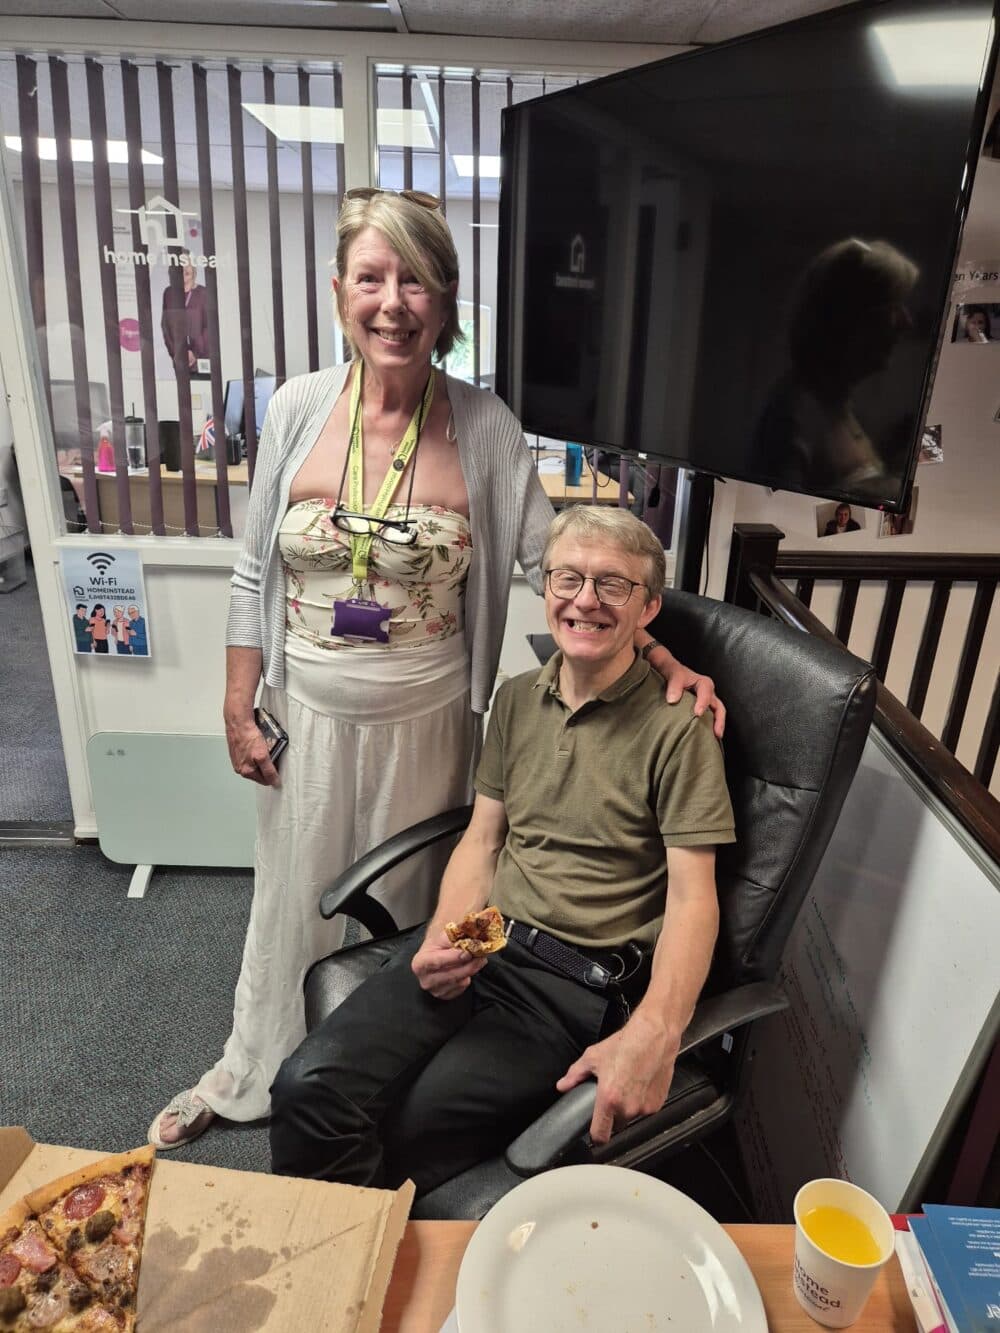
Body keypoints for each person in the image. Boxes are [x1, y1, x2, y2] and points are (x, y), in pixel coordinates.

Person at [148, 188, 724, 1152]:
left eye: (415, 279)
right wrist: (237, 701)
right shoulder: (295, 408)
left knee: (422, 910)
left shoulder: (485, 426)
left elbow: (558, 565)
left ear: (446, 302)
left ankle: (381, 1078)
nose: (392, 301)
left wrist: (660, 652)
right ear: (340, 293)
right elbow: (255, 565)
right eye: (371, 277)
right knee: (291, 899)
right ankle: (249, 1067)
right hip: (310, 710)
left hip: (429, 714)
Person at [269, 506, 736, 1191]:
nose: (584, 599)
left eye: (612, 585)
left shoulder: (679, 728)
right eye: (567, 578)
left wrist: (659, 1031)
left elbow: (696, 898)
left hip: (571, 986)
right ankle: (341, 1272)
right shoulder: (518, 699)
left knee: (407, 1127)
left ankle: (380, 1275)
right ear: (545, 587)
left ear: (649, 607)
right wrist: (442, 937)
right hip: (483, 941)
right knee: (306, 1086)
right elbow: (482, 839)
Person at [751, 238, 919, 496]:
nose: (906, 322)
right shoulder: (792, 418)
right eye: (893, 307)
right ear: (847, 318)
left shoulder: (838, 404)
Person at [161, 252, 210, 372]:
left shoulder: (204, 293)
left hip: (201, 358)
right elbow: (166, 326)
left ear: (193, 267)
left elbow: (209, 328)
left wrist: (194, 353)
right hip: (179, 359)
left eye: (187, 264)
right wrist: (176, 353)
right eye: (180, 265)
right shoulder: (169, 293)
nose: (184, 268)